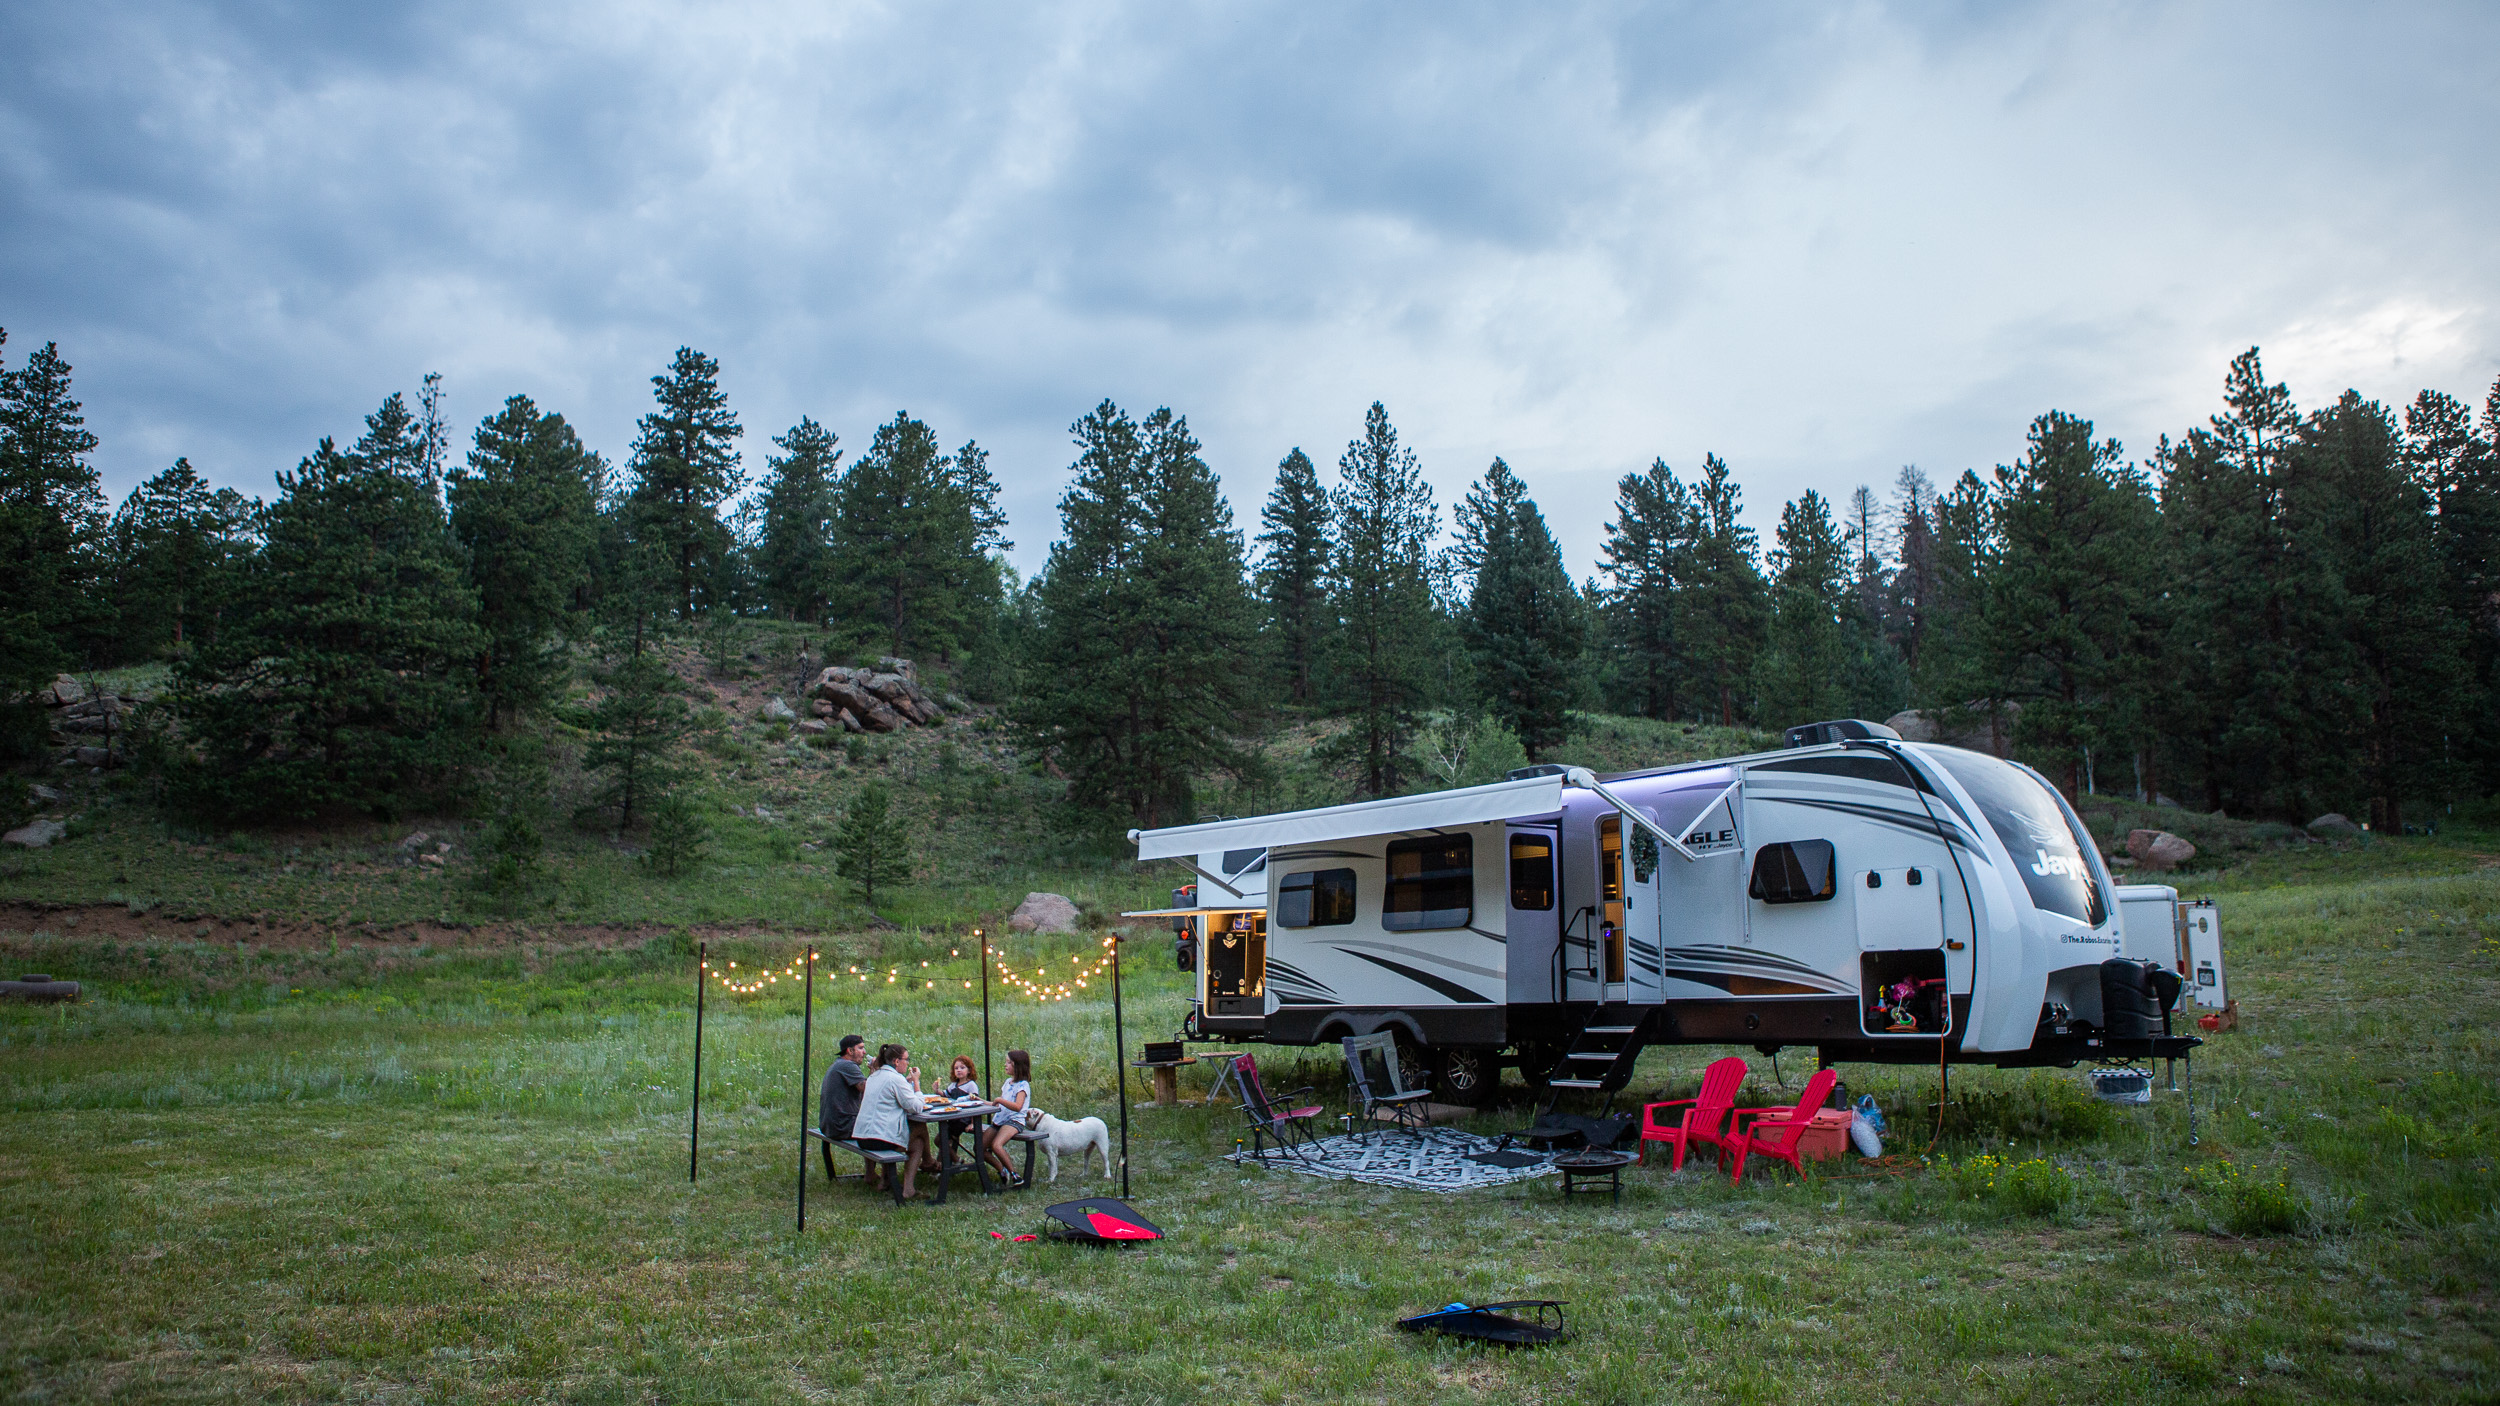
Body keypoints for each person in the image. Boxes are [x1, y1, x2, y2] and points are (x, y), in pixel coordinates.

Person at [854, 1043, 938, 1198]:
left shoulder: (874, 1076)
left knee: (915, 1130)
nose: (908, 1063)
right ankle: (910, 1187)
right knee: (918, 1138)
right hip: (878, 1138)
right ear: (896, 1061)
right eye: (906, 1059)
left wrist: (906, 1082)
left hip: (861, 1136)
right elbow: (916, 1106)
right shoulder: (895, 1079)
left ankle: (887, 1180)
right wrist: (916, 1083)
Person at [818, 1035, 879, 1186]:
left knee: (868, 1123)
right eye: (861, 1048)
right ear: (849, 1051)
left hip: (829, 1124)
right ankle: (882, 1174)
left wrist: (872, 1071)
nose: (864, 1052)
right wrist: (877, 1070)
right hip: (841, 1125)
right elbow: (868, 1089)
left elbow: (865, 1091)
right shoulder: (847, 1066)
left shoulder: (839, 1065)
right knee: (879, 1127)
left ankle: (871, 1173)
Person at [982, 1049, 1033, 1185]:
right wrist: (980, 1101)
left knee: (996, 1145)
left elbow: (1017, 1106)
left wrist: (1000, 1100)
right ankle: (1001, 1169)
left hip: (1014, 1121)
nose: (1005, 1065)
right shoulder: (1007, 1082)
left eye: (1009, 1063)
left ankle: (1015, 1175)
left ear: (1018, 1066)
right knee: (979, 1148)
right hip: (1000, 1120)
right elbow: (997, 1104)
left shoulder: (1023, 1086)